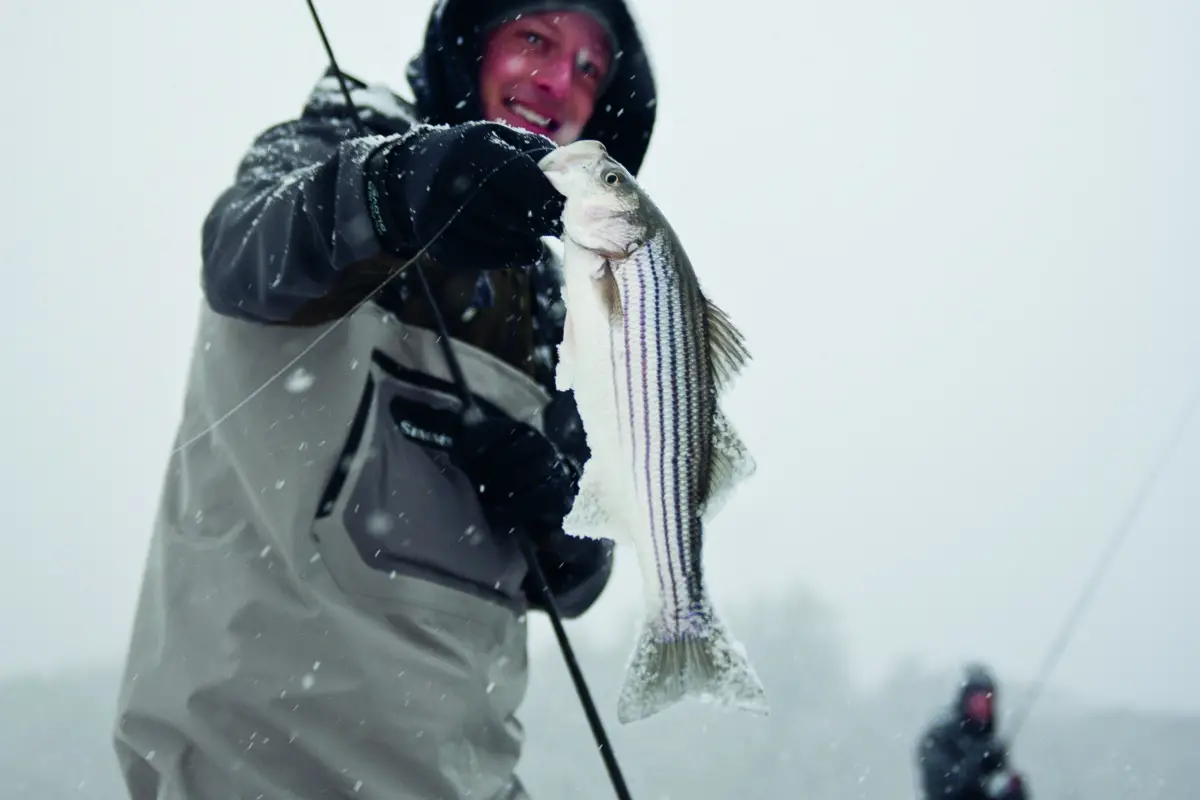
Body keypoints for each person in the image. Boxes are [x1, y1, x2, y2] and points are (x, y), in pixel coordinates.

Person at [111, 0, 657, 797]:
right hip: (248, 764)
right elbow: (238, 253)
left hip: (466, 775)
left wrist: (551, 500)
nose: (558, 83)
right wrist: (402, 187)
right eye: (534, 39)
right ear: (470, 46)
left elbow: (579, 578)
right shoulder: (333, 141)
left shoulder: (561, 297)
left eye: (588, 69)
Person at [916, 665, 1030, 800]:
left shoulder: (993, 746)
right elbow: (941, 787)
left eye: (987, 700)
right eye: (977, 699)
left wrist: (1012, 791)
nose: (982, 705)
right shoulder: (940, 738)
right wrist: (977, 771)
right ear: (965, 700)